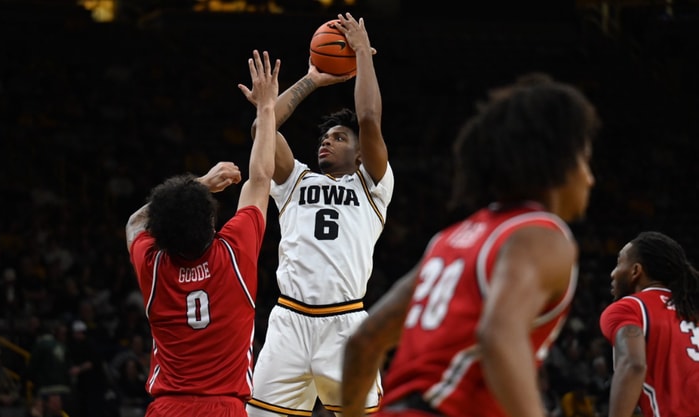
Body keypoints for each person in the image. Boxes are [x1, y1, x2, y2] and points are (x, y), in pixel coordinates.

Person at [341, 76, 600, 417]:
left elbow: (364, 341)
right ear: (559, 163)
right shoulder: (541, 235)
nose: (590, 178)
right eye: (584, 160)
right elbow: (498, 335)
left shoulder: (449, 241)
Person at [246, 13, 392, 417]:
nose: (327, 142)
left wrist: (362, 52)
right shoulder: (295, 180)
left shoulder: (372, 186)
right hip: (288, 322)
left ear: (360, 153)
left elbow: (368, 119)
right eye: (325, 137)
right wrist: (312, 79)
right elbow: (264, 125)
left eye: (339, 138)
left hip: (344, 325)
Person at [125, 49, 279, 417]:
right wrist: (266, 107)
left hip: (167, 408)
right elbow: (260, 177)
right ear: (212, 226)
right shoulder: (233, 254)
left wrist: (201, 183)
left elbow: (134, 222)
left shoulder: (153, 265)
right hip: (224, 407)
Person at [599, 231, 699, 417]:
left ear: (636, 271)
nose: (613, 273)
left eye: (619, 262)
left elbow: (633, 364)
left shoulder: (629, 307)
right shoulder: (692, 309)